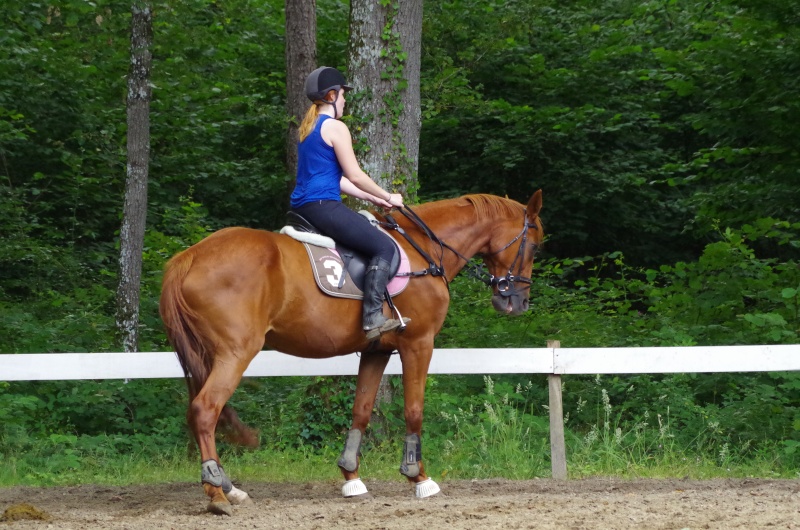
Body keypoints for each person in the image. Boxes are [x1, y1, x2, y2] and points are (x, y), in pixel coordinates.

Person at [290, 66, 409, 341]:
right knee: (383, 246)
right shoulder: (335, 127)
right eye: (343, 94)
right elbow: (354, 174)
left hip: (304, 208)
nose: (345, 100)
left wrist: (373, 197)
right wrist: (390, 197)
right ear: (332, 95)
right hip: (323, 206)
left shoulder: (307, 129)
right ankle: (373, 317)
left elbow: (336, 178)